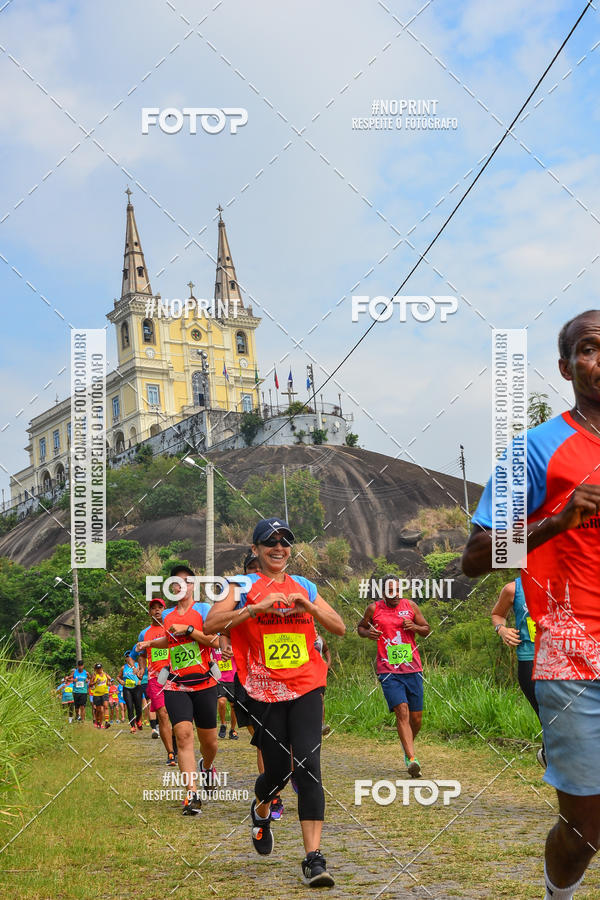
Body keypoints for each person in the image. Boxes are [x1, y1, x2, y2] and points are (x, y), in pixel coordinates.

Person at [462, 310, 600, 900]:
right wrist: (556, 519)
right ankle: (558, 893)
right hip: (573, 655)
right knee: (586, 827)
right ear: (567, 366)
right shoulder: (537, 448)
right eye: (590, 348)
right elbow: (473, 558)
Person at [204, 517, 346, 888]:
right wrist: (254, 608)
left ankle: (314, 858)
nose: (279, 548)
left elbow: (339, 626)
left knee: (308, 767)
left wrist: (310, 608)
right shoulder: (239, 585)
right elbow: (210, 625)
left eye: (285, 542)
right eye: (271, 542)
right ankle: (262, 808)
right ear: (255, 549)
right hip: (263, 690)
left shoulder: (305, 585)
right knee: (278, 771)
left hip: (307, 685)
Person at [136, 564, 219, 816]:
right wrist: (149, 642)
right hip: (175, 684)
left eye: (186, 581)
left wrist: (190, 630)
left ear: (194, 585)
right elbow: (169, 639)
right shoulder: (168, 616)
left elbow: (215, 641)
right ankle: (191, 795)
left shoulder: (205, 610)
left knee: (210, 743)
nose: (180, 585)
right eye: (176, 582)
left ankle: (207, 765)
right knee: (182, 736)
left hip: (204, 682)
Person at [357, 574, 430, 777]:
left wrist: (414, 627)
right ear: (383, 593)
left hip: (412, 668)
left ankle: (407, 746)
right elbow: (361, 627)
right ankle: (412, 759)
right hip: (388, 669)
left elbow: (426, 629)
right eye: (390, 591)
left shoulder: (411, 606)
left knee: (416, 719)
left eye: (397, 590)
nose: (395, 594)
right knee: (402, 711)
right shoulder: (374, 609)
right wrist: (367, 633)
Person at [491, 578, 546, 767]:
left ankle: (550, 756)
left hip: (563, 658)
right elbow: (497, 614)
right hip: (530, 660)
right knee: (548, 715)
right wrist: (502, 630)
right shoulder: (513, 589)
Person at [134, 598, 177, 765]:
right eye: (153, 608)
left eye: (160, 607)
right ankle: (171, 753)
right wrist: (142, 668)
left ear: (164, 610)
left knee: (176, 715)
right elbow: (142, 654)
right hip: (155, 678)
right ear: (149, 612)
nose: (157, 610)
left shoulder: (172, 628)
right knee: (163, 713)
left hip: (175, 676)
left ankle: (176, 741)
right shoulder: (144, 633)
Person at [212, 646, 239, 740]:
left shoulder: (234, 640)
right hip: (219, 677)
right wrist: (212, 661)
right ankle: (223, 724)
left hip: (233, 677)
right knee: (221, 702)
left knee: (234, 706)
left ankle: (232, 730)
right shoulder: (214, 639)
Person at [119, 652, 143, 733]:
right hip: (127, 689)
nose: (129, 658)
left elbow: (143, 674)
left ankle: (138, 720)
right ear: (125, 658)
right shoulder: (123, 668)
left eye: (130, 656)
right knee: (129, 707)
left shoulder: (138, 665)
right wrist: (120, 681)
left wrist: (140, 680)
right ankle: (132, 726)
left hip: (137, 688)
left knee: (139, 707)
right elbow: (118, 677)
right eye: (127, 656)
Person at [314, 631, 332, 736]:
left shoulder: (320, 639)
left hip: (319, 672)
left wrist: (328, 663)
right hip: (305, 672)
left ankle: (321, 724)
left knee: (320, 697)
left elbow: (326, 650)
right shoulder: (302, 636)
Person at [89, 663, 111, 729]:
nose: (99, 670)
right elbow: (90, 684)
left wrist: (109, 681)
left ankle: (106, 722)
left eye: (100, 668)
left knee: (106, 706)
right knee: (99, 710)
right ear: (95, 669)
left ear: (102, 668)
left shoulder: (105, 674)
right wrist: (95, 682)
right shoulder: (94, 675)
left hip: (105, 692)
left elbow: (109, 680)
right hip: (97, 694)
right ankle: (98, 722)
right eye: (98, 669)